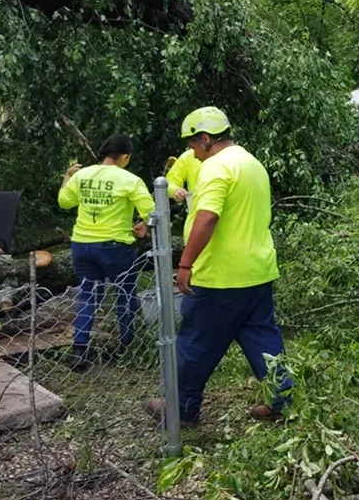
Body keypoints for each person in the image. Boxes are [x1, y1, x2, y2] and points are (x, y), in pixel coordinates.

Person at [145, 106, 292, 426]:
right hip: (258, 271)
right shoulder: (252, 164)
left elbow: (207, 217)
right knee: (264, 341)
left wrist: (185, 263)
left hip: (220, 278)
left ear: (207, 139)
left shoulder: (216, 168)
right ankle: (284, 402)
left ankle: (181, 411)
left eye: (191, 145)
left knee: (195, 344)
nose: (191, 153)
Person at [58, 133, 153, 372]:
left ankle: (80, 351)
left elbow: (64, 201)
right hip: (114, 246)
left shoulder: (82, 175)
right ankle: (127, 347)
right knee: (125, 295)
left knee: (88, 295)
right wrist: (144, 224)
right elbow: (153, 211)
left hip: (81, 244)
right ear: (125, 156)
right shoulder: (129, 180)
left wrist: (67, 177)